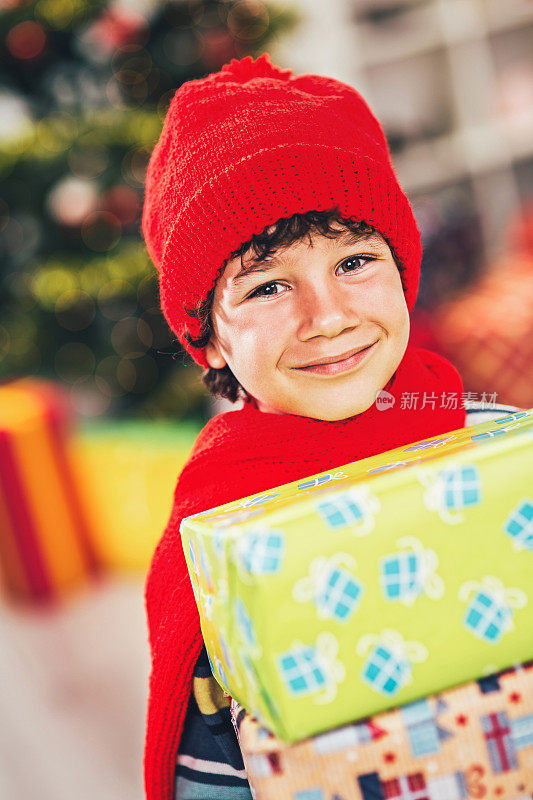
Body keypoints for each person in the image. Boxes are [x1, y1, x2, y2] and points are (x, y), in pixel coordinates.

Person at [140, 53, 517, 800]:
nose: (329, 318)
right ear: (208, 336)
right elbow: (210, 774)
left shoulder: (503, 450)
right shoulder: (214, 537)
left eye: (353, 261)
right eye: (270, 284)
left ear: (402, 271)